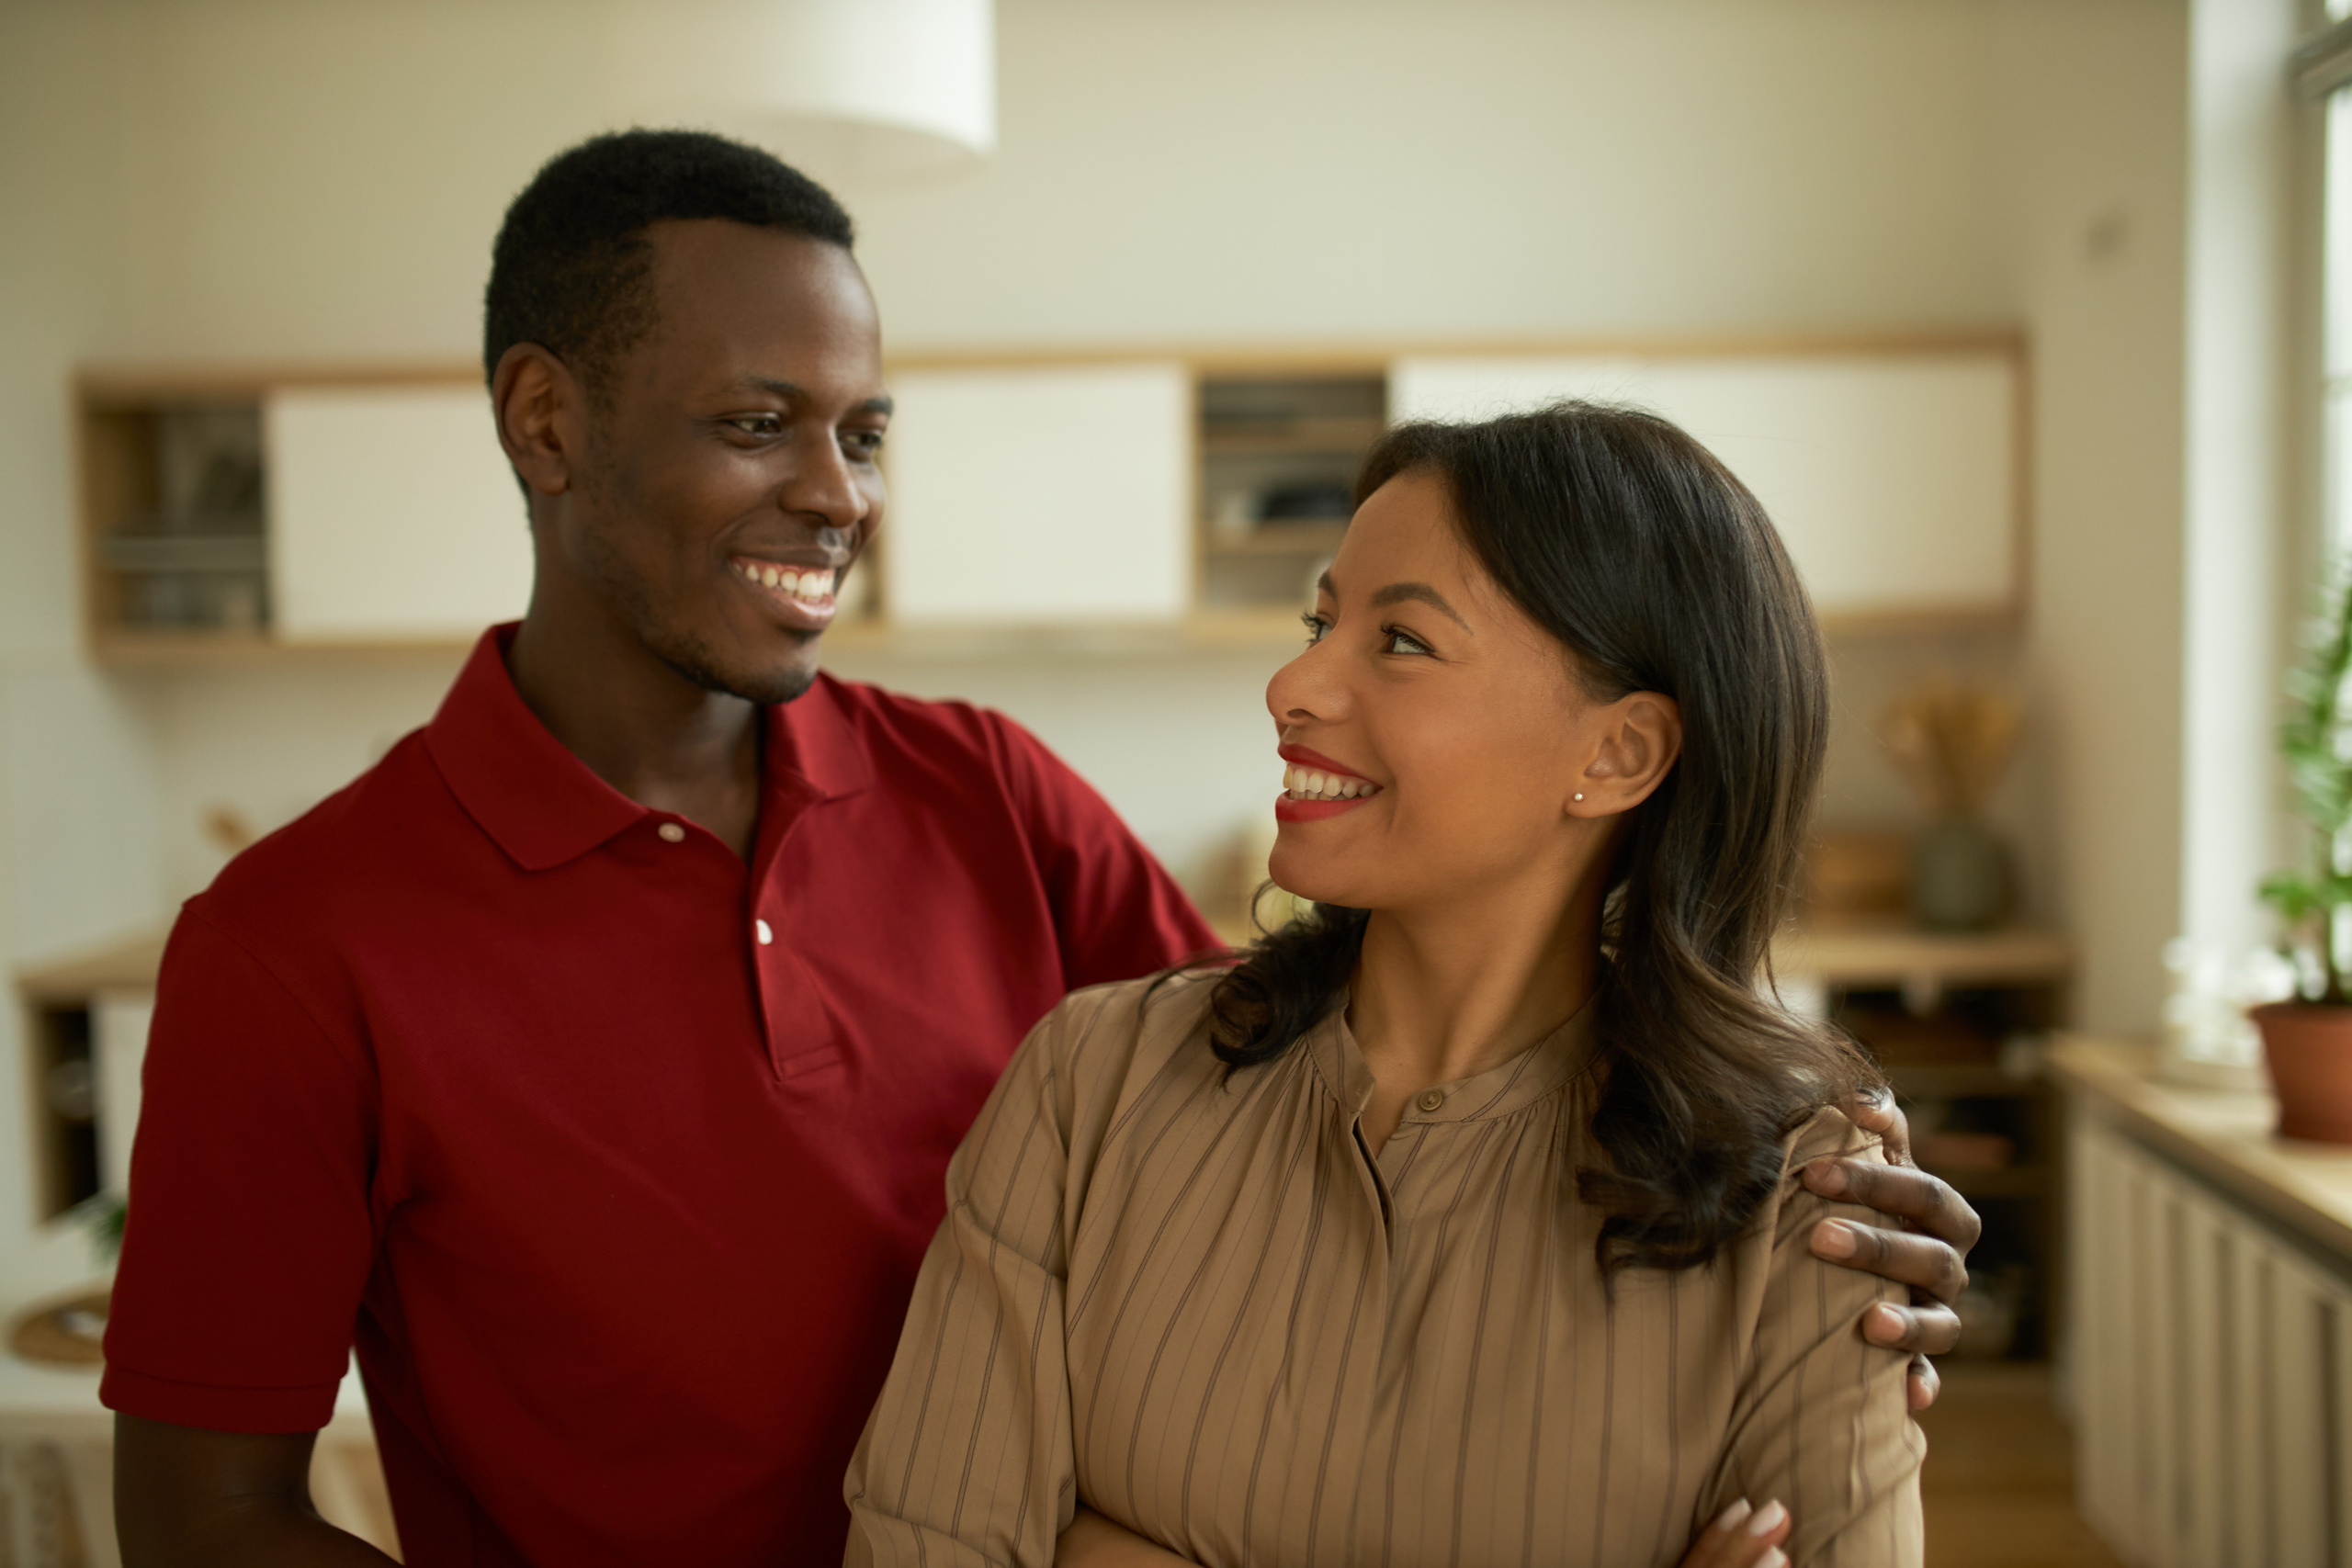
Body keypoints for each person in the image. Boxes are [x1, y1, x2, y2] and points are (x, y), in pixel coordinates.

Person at [102, 131, 1971, 1566]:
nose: (837, 493)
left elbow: (1334, 1066)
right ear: (546, 422)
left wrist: (1745, 1122)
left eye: (861, 430)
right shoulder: (291, 944)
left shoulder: (983, 795)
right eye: (759, 424)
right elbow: (202, 1521)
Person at [847, 403, 1930, 1566]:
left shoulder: (1807, 1202)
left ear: (1616, 755)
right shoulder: (1088, 1085)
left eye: (1401, 642)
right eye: (1319, 620)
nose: (1291, 683)